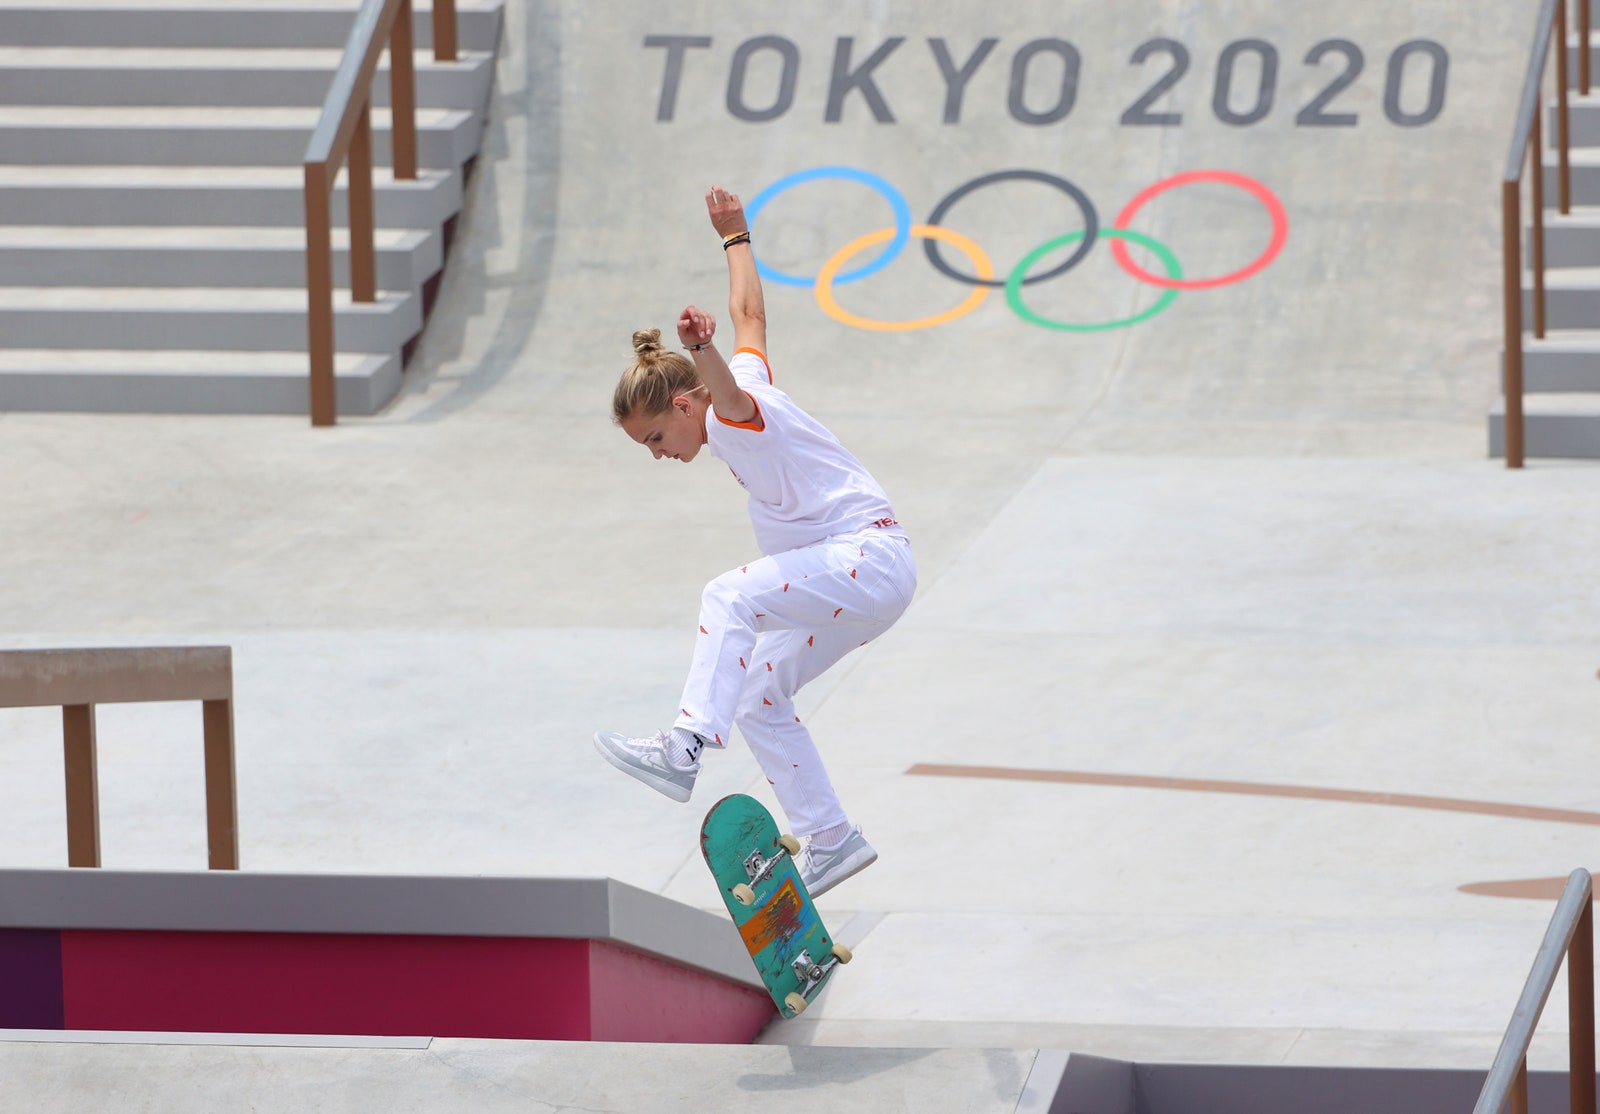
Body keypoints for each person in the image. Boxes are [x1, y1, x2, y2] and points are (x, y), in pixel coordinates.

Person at [593, 184, 918, 898]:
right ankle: (831, 838)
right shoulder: (742, 384)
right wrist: (735, 236)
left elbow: (729, 389)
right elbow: (751, 316)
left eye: (655, 438)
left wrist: (699, 348)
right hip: (864, 582)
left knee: (726, 594)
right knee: (758, 693)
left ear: (684, 405)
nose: (658, 454)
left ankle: (682, 747)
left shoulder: (735, 417)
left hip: (863, 560)